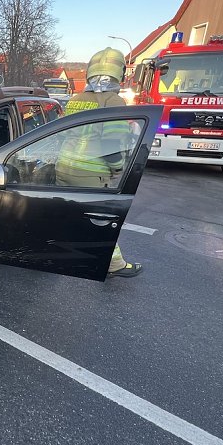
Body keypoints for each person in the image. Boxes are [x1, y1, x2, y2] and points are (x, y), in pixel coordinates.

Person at [56, 47, 142, 278]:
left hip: (64, 167)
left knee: (67, 212)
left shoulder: (75, 100)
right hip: (91, 174)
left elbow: (61, 134)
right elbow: (112, 145)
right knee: (100, 221)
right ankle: (114, 264)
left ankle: (57, 251)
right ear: (118, 73)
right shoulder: (114, 101)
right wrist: (117, 170)